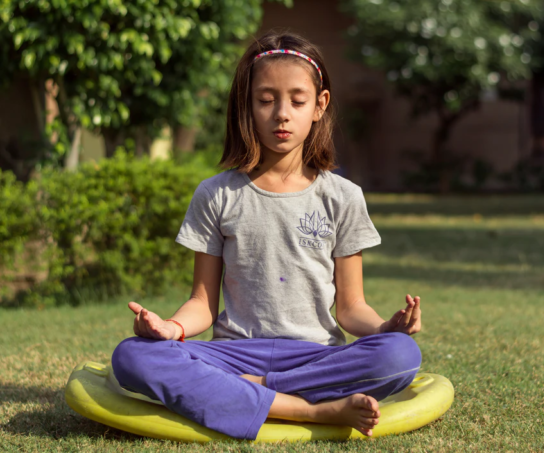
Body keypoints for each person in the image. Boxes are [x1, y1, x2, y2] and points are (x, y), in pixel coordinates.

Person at [111, 29, 422, 441]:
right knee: (133, 356)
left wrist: (386, 328)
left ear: (319, 105)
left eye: (297, 100)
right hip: (233, 353)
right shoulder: (216, 194)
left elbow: (350, 308)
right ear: (247, 106)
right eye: (265, 100)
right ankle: (315, 410)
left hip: (315, 355)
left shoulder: (343, 197)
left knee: (400, 356)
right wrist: (172, 329)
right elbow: (202, 304)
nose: (281, 114)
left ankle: (244, 393)